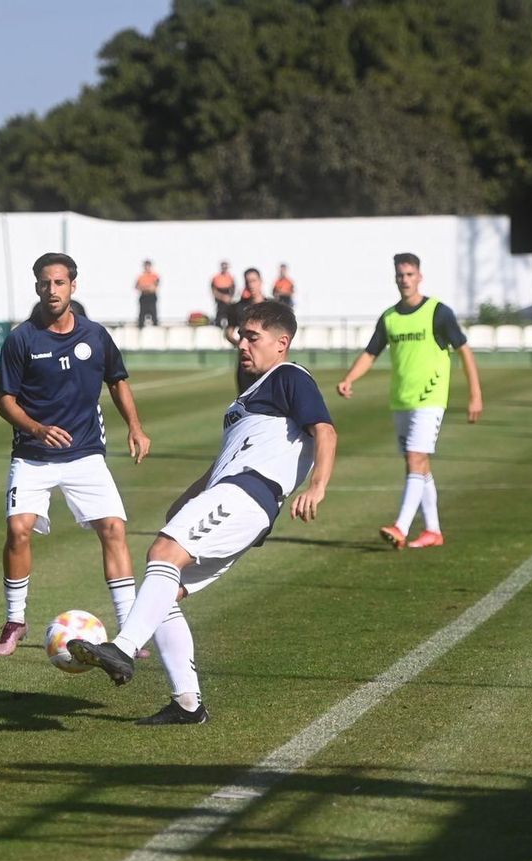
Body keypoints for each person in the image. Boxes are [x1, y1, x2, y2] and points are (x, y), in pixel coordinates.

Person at [68, 300, 336, 725]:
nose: (241, 344)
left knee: (162, 555)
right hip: (233, 494)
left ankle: (122, 649)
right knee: (163, 596)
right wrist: (187, 499)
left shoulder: (289, 375)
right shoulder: (249, 395)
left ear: (282, 343)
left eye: (252, 337)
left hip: (249, 493)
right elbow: (223, 462)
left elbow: (324, 429)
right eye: (240, 336)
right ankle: (187, 704)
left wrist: (317, 486)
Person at [0, 252, 152, 657]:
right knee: (18, 530)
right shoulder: (21, 339)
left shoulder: (95, 336)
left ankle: (129, 635)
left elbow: (117, 382)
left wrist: (135, 426)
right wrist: (38, 430)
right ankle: (15, 620)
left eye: (59, 283)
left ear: (73, 286)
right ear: (37, 287)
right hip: (32, 455)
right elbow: (5, 403)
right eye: (45, 283)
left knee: (113, 529)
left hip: (85, 455)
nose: (52, 290)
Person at [336, 252, 483, 550]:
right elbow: (370, 352)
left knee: (415, 459)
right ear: (395, 278)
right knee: (417, 464)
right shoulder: (389, 317)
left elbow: (464, 351)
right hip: (401, 400)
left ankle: (401, 527)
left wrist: (475, 395)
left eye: (409, 274)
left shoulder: (438, 312)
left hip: (430, 398)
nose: (405, 280)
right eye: (400, 275)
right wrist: (350, 378)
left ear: (420, 276)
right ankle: (433, 531)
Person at [223, 267, 271, 392]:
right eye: (248, 281)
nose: (251, 285)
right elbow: (229, 331)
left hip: (267, 360)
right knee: (246, 400)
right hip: (246, 361)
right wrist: (240, 343)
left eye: (254, 281)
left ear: (260, 282)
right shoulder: (238, 307)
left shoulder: (271, 307)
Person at [210, 261, 236, 327]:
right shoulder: (216, 278)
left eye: (226, 267)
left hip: (228, 298)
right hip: (220, 299)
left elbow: (233, 289)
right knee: (220, 314)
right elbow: (213, 290)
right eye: (223, 267)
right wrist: (222, 297)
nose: (224, 268)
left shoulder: (230, 277)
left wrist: (229, 297)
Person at [135, 260, 159, 327]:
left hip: (151, 297)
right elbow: (137, 287)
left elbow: (154, 288)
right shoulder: (140, 276)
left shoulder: (154, 275)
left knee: (154, 315)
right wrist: (148, 287)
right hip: (143, 297)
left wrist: (144, 287)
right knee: (141, 316)